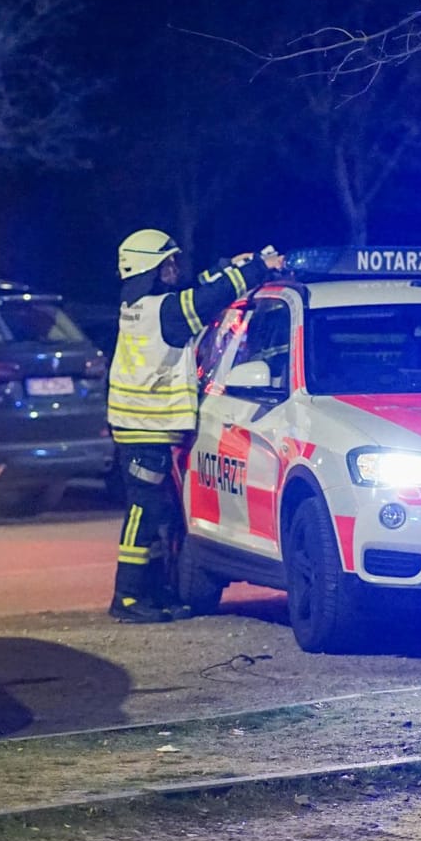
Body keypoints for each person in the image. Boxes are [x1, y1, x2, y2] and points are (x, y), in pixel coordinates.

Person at [108, 230, 285, 623]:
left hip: (139, 425)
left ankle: (151, 593)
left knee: (159, 513)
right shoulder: (164, 311)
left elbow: (198, 292)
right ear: (152, 268)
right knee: (144, 511)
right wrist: (259, 268)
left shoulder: (142, 304)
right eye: (168, 262)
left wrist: (228, 267)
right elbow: (205, 301)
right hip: (144, 428)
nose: (174, 267)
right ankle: (127, 597)